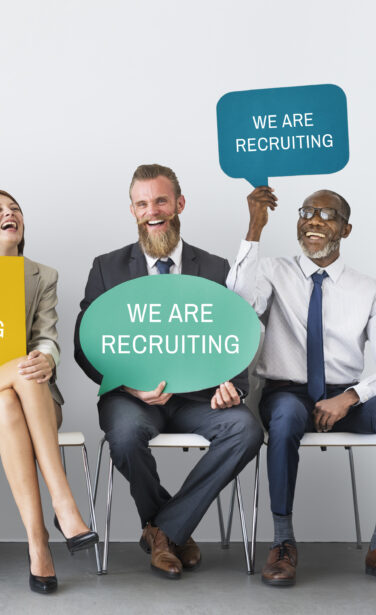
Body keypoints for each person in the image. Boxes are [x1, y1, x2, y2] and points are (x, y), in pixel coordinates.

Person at [229, 187, 376, 587]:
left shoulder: (369, 289)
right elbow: (237, 306)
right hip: (287, 392)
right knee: (284, 418)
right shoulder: (271, 271)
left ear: (346, 229)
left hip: (345, 396)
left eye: (327, 214)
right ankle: (283, 543)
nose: (314, 220)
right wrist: (254, 228)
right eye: (307, 212)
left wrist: (351, 397)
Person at [74, 163, 263, 579]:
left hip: (199, 399)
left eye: (161, 200)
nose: (152, 210)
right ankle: (171, 530)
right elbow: (84, 347)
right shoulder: (107, 268)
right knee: (124, 436)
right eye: (142, 203)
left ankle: (164, 531)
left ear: (179, 204)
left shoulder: (214, 269)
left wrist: (231, 384)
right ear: (132, 210)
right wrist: (130, 386)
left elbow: (235, 335)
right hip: (132, 399)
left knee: (246, 429)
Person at [0, 190, 97, 594]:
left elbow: (46, 338)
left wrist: (47, 357)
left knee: (18, 388)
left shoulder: (43, 275)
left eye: (15, 209)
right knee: (17, 379)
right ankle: (64, 503)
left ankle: (38, 543)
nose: (9, 214)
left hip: (33, 398)